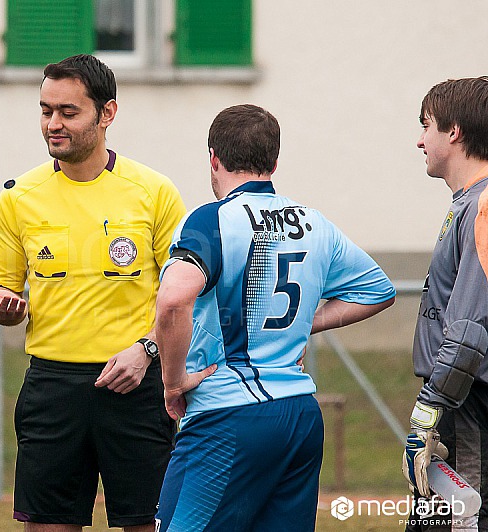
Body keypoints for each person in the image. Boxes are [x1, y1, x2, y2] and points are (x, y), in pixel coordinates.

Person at [154, 104, 396, 531]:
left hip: (228, 414)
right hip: (299, 415)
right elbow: (378, 290)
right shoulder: (314, 222)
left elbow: (173, 301)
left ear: (213, 158)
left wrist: (172, 383)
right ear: (274, 162)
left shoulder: (211, 220)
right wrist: (307, 324)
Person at [0, 54, 186, 531]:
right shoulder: (18, 196)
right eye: (46, 110)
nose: (53, 123)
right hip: (53, 388)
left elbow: (185, 299)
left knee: (149, 524)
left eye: (68, 112)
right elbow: (3, 292)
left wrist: (148, 350)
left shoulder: (154, 192)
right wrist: (6, 309)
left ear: (107, 113)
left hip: (137, 384)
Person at [403, 77, 488, 532]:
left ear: (453, 131)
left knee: (461, 523)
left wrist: (428, 412)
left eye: (426, 125)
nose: (420, 140)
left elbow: (470, 327)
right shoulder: (468, 202)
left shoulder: (483, 205)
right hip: (457, 400)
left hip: (467, 403)